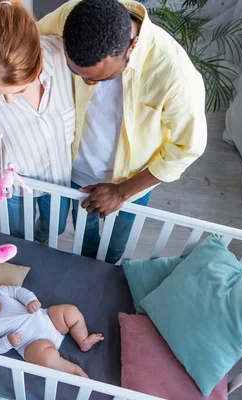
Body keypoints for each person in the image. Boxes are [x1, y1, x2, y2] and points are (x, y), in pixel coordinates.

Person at [38, 0, 207, 263]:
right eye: (78, 73)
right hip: (75, 167)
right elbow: (29, 44)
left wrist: (122, 192)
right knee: (85, 236)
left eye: (101, 78)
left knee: (118, 243)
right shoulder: (70, 16)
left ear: (132, 45)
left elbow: (186, 148)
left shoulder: (176, 77)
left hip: (133, 181)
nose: (88, 83)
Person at [0, 0, 76, 243]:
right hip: (11, 182)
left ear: (38, 63)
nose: (8, 100)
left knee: (55, 228)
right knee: (17, 233)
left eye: (17, 91)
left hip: (58, 175)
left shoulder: (60, 57)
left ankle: (40, 242)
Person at [0, 283, 104, 377]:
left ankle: (83, 340)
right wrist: (7, 341)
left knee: (71, 312)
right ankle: (74, 369)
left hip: (47, 319)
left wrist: (30, 301)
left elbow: (19, 291)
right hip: (32, 343)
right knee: (47, 360)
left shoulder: (0, 292)